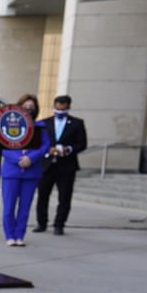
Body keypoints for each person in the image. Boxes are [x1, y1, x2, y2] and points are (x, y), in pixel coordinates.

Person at [0, 94, 51, 246]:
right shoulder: (8, 125)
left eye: (32, 108)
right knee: (9, 206)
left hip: (31, 172)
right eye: (25, 107)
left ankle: (19, 235)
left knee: (25, 207)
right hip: (11, 172)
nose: (28, 110)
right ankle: (9, 235)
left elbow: (45, 146)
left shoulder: (41, 127)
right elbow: (2, 145)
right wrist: (17, 159)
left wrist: (31, 158)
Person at [33, 95, 87, 235]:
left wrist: (68, 149)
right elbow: (37, 142)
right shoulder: (44, 123)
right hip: (47, 164)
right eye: (57, 108)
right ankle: (41, 223)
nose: (60, 111)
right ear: (54, 106)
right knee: (43, 195)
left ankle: (59, 224)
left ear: (68, 107)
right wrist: (48, 149)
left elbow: (82, 144)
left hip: (67, 166)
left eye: (63, 109)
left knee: (64, 197)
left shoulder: (77, 123)